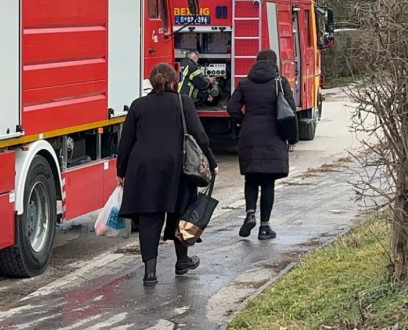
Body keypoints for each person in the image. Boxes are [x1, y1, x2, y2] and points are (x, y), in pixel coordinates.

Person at [117, 63, 218, 287]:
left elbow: (126, 142)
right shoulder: (183, 103)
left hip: (143, 170)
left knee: (149, 219)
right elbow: (200, 136)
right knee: (181, 215)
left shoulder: (138, 105)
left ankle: (150, 273)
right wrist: (211, 162)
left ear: (151, 81)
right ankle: (182, 262)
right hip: (177, 168)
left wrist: (121, 171)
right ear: (175, 80)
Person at [227, 49, 297, 240]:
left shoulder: (245, 83)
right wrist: (292, 138)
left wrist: (244, 120)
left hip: (249, 134)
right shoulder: (280, 83)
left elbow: (231, 107)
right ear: (274, 63)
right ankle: (264, 227)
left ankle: (250, 213)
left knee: (250, 178)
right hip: (273, 135)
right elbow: (290, 112)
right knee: (267, 182)